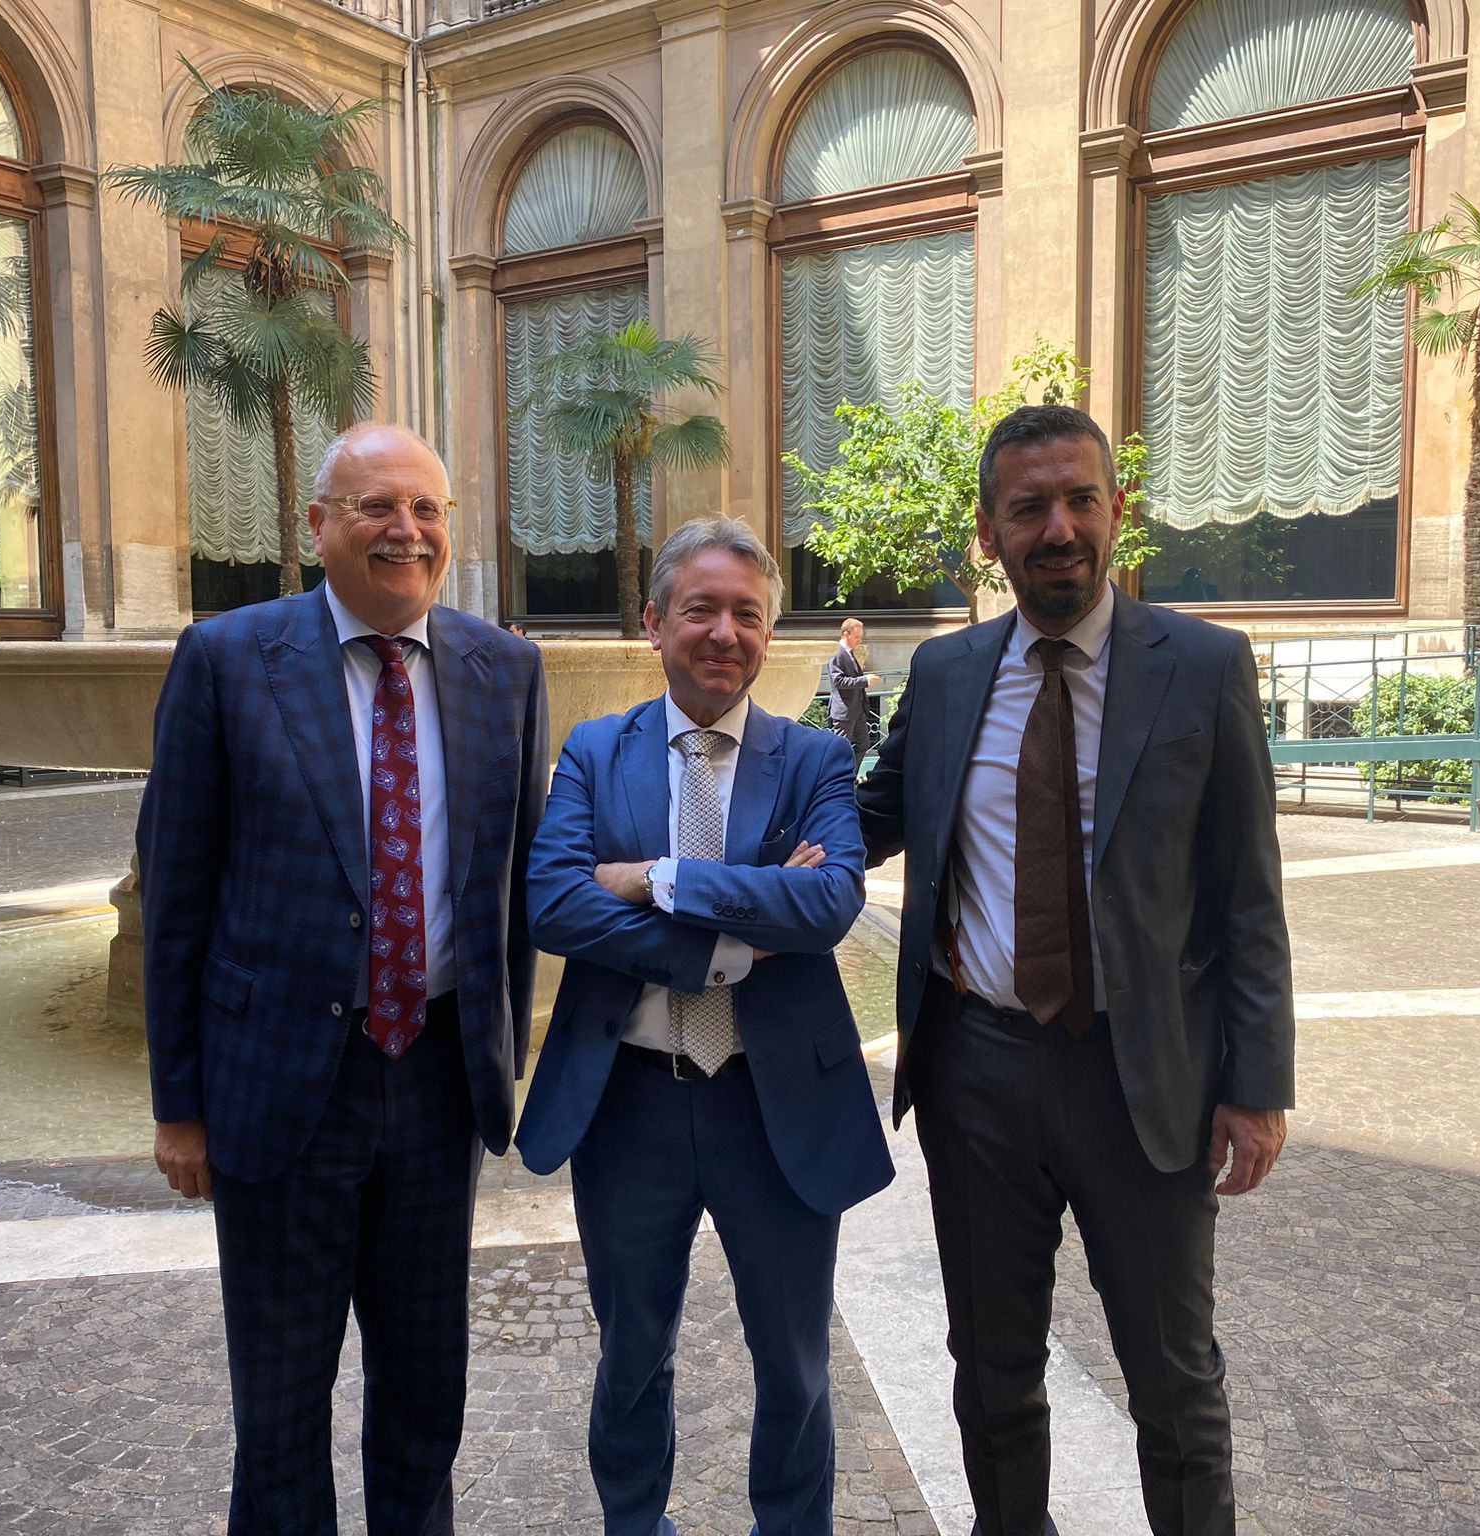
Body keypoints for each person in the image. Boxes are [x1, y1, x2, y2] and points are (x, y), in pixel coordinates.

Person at [857, 405, 1294, 1536]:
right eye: (1028, 508)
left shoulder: (1201, 666)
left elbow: (1247, 893)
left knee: (1174, 1378)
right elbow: (868, 815)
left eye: (1078, 500)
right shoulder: (947, 672)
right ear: (988, 534)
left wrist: (1256, 1084)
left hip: (1140, 1078)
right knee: (991, 1368)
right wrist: (712, 831)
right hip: (977, 1075)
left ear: (1115, 510)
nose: (1057, 528)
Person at [136, 423, 549, 1536]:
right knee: (279, 1410)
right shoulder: (227, 659)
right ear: (317, 524)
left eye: (426, 508)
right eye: (376, 506)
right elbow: (175, 896)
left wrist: (503, 1059)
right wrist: (179, 1106)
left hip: (437, 1083)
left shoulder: (504, 671)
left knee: (424, 1394)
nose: (405, 530)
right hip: (280, 1091)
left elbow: (514, 886)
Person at [517, 516, 892, 1536]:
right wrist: (734, 937)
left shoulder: (814, 759)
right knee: (631, 1354)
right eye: (701, 610)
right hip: (629, 1107)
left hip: (777, 1110)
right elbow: (552, 904)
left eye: (747, 614)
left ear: (768, 632)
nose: (725, 632)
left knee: (795, 1363)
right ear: (654, 622)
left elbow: (828, 905)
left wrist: (654, 877)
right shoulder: (596, 751)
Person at [828, 615, 881, 764]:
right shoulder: (836, 653)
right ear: (846, 634)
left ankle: (851, 773)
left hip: (857, 710)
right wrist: (865, 680)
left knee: (864, 744)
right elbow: (838, 681)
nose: (860, 641)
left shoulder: (849, 652)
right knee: (840, 750)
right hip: (844, 711)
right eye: (857, 637)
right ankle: (839, 775)